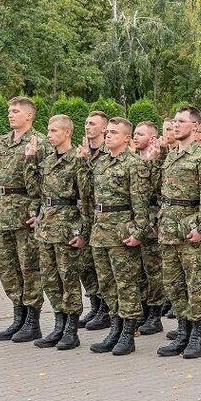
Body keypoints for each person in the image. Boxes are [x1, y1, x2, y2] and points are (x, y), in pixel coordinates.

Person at [155, 106, 201, 359]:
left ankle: (197, 335)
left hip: (190, 228)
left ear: (195, 127)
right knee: (174, 284)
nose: (175, 125)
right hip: (169, 229)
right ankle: (182, 331)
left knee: (197, 284)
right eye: (174, 120)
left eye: (181, 121)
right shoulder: (171, 155)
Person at [82, 117, 149, 355]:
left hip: (121, 231)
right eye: (107, 131)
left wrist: (138, 232)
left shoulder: (134, 164)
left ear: (127, 138)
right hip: (100, 231)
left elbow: (140, 204)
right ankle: (115, 328)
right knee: (107, 285)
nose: (108, 135)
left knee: (126, 284)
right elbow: (89, 197)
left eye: (114, 132)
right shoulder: (100, 162)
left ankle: (128, 334)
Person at [25, 115, 90, 350]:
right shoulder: (48, 160)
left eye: (54, 131)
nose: (49, 135)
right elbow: (34, 190)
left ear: (66, 133)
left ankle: (71, 329)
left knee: (68, 279)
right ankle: (58, 325)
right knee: (50, 279)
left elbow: (86, 198)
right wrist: (30, 160)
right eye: (49, 130)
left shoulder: (77, 159)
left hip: (67, 225)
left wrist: (83, 231)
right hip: (46, 226)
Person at [0, 97, 50, 343]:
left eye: (15, 111)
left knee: (29, 267)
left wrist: (37, 210)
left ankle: (32, 321)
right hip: (3, 212)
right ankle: (18, 316)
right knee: (7, 268)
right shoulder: (2, 143)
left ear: (29, 116)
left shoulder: (40, 143)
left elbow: (44, 183)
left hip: (25, 211)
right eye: (9, 111)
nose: (10, 114)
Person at [131, 121, 166, 335]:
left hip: (153, 221)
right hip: (136, 221)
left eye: (140, 134)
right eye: (134, 133)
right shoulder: (133, 160)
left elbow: (160, 193)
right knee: (139, 270)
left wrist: (152, 164)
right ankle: (143, 310)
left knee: (154, 271)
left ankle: (155, 315)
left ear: (152, 139)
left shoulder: (160, 161)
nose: (135, 137)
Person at [79, 111, 111, 330]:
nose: (88, 127)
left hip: (103, 217)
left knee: (102, 266)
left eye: (93, 124)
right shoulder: (81, 152)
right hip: (84, 215)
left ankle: (106, 309)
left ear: (104, 129)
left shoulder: (108, 154)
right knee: (85, 265)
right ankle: (95, 304)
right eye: (86, 123)